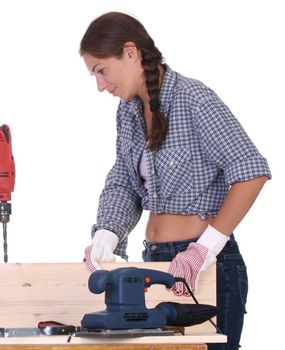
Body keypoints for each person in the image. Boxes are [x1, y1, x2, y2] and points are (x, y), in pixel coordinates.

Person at [80, 12, 270, 350]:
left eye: (101, 71)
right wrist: (106, 235)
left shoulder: (195, 100)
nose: (100, 86)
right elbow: (124, 179)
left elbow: (251, 170)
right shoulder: (128, 112)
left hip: (208, 267)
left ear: (130, 51)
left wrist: (204, 248)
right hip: (155, 261)